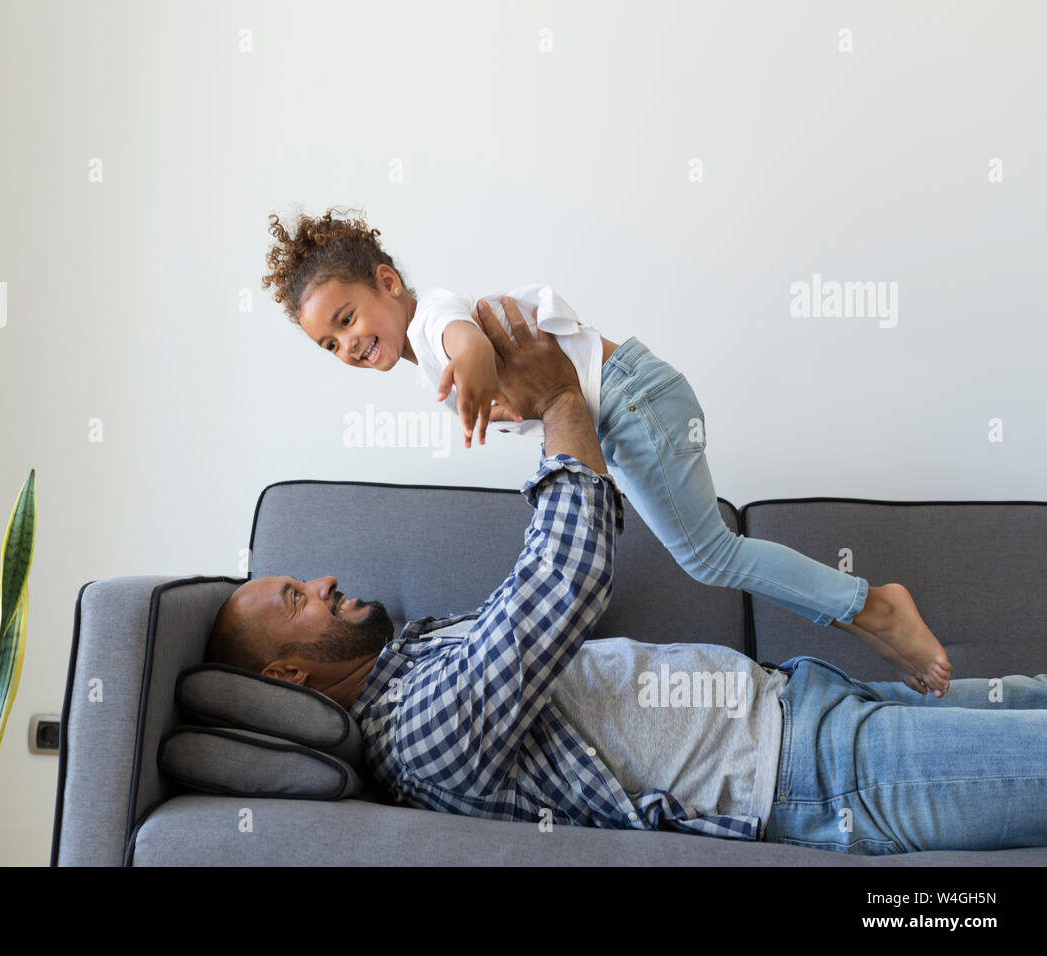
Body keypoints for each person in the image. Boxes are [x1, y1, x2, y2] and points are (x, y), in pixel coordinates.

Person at [206, 297, 1047, 853]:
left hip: (800, 698)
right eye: (294, 599)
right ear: (287, 672)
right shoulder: (415, 736)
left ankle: (868, 611)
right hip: (811, 770)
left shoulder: (420, 655)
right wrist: (559, 406)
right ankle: (870, 607)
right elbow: (560, 584)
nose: (318, 581)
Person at [260, 205, 952, 695]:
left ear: (386, 282)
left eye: (347, 319)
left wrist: (471, 367)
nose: (346, 345)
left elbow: (462, 338)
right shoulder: (418, 361)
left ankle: (876, 607)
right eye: (330, 344)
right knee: (707, 553)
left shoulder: (436, 316)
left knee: (709, 554)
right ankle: (872, 610)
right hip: (627, 413)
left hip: (633, 398)